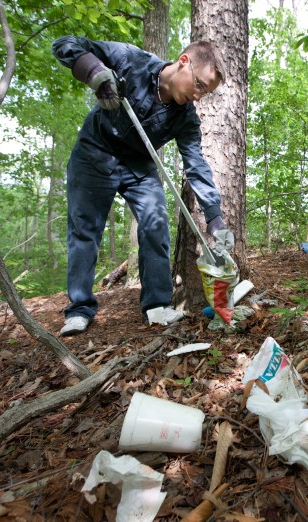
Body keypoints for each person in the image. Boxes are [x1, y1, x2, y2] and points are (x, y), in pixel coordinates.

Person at [52, 36, 234, 336]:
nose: (199, 96)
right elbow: (65, 44)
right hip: (94, 154)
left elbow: (196, 164)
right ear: (183, 62)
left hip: (139, 164)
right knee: (84, 229)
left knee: (156, 223)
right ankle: (80, 309)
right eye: (199, 85)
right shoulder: (131, 60)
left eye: (206, 92)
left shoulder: (185, 117)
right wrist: (96, 73)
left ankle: (157, 305)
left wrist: (215, 220)